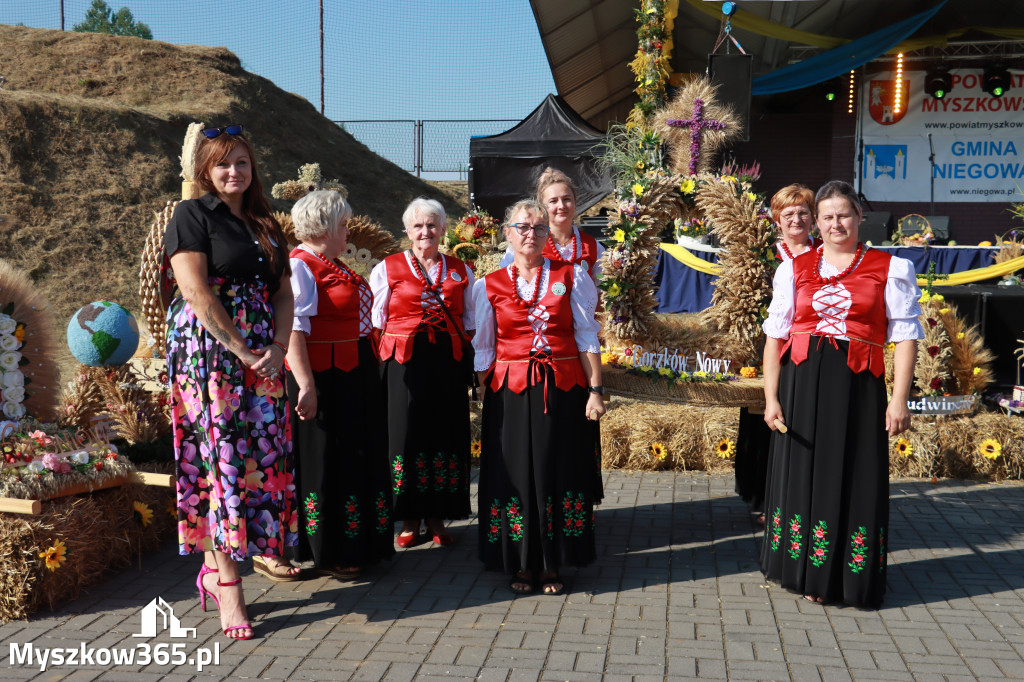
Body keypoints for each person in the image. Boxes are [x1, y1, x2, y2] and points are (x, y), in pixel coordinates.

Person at [760, 180, 922, 608]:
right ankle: (802, 570)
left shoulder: (891, 268)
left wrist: (899, 398)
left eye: (843, 215)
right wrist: (771, 398)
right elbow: (775, 338)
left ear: (859, 217)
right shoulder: (792, 268)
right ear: (817, 221)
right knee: (803, 472)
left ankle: (845, 577)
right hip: (800, 384)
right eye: (827, 216)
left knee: (853, 474)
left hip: (857, 386)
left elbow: (905, 339)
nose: (835, 223)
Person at [164, 125, 298, 640]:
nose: (233, 172)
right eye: (223, 164)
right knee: (219, 462)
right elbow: (196, 292)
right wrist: (242, 349)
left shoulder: (266, 223)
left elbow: (283, 294)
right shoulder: (192, 216)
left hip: (262, 358)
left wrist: (279, 348)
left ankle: (233, 564)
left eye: (241, 162)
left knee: (256, 461)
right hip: (210, 357)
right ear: (205, 170)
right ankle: (228, 585)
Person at [473, 198, 604, 596]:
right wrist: (483, 392)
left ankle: (552, 562)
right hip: (509, 392)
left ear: (548, 235)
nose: (531, 235)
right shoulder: (488, 285)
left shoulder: (572, 275)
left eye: (538, 228)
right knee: (514, 474)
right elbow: (483, 347)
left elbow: (585, 335)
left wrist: (595, 389)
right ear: (507, 234)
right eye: (522, 227)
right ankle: (520, 560)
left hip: (562, 388)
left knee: (557, 468)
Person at [284, 190, 395, 578]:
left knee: (354, 456)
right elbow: (294, 330)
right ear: (324, 227)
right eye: (343, 224)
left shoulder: (330, 262)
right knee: (329, 458)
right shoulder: (301, 266)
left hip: (352, 372)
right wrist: (306, 385)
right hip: (325, 377)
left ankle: (357, 541)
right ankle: (329, 548)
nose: (348, 230)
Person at [370, 198, 475, 548]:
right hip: (404, 363)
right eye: (418, 226)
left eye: (432, 225)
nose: (425, 232)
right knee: (405, 436)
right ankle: (409, 516)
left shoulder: (461, 269)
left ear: (444, 229)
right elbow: (374, 322)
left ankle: (437, 516)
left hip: (447, 361)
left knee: (443, 435)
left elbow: (472, 320)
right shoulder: (388, 268)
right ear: (407, 231)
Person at [735, 184, 820, 525]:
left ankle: (800, 495)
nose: (796, 220)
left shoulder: (826, 253)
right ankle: (762, 497)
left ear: (813, 219)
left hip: (812, 352)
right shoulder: (763, 257)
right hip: (766, 348)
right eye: (788, 215)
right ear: (776, 221)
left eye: (803, 213)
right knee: (764, 421)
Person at [499, 168, 605, 280]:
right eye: (553, 201)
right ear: (542, 206)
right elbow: (506, 282)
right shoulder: (528, 242)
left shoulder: (592, 246)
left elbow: (602, 289)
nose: (561, 206)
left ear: (575, 201)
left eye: (566, 199)